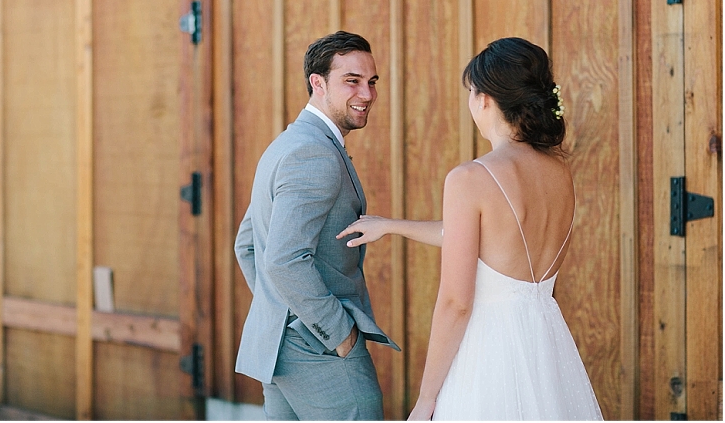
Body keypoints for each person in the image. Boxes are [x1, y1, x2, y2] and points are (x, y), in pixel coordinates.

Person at [338, 37, 603, 420]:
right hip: (545, 343)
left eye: (471, 91)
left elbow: (455, 303)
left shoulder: (471, 178)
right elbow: (489, 238)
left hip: (489, 352)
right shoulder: (558, 172)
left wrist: (427, 398)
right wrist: (392, 226)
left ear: (484, 99)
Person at [234, 30, 400, 421]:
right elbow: (283, 259)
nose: (368, 94)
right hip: (320, 352)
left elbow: (248, 245)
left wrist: (281, 312)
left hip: (280, 349)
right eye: (352, 81)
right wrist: (337, 334)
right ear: (318, 83)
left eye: (372, 82)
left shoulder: (286, 144)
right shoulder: (313, 153)